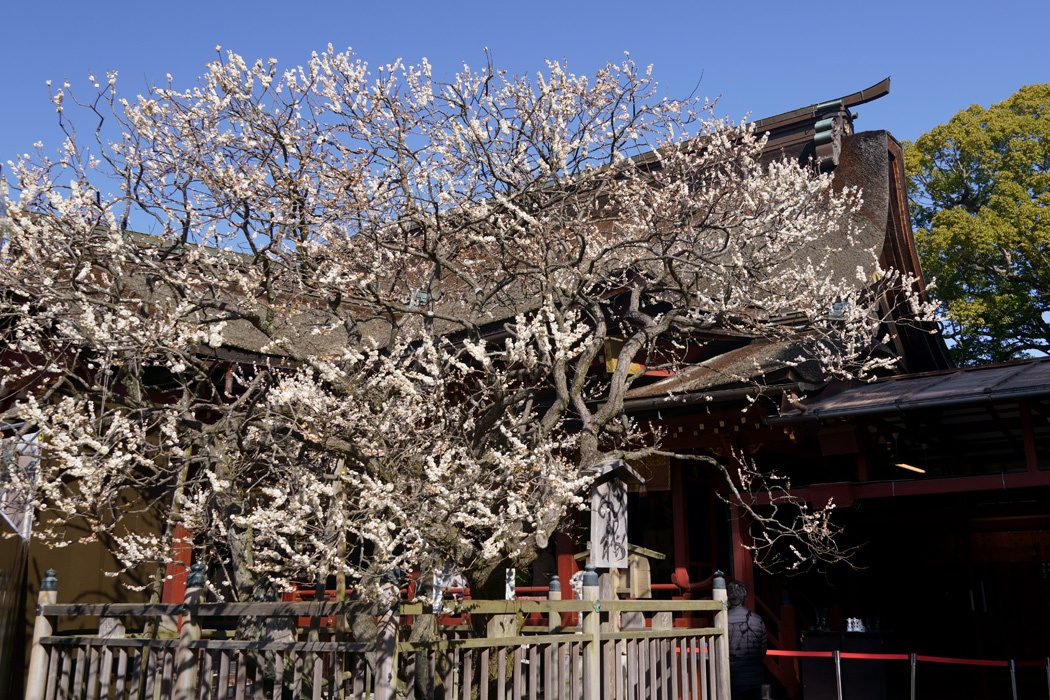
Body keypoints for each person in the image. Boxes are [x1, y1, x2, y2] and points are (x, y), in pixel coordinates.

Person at [727, 580, 767, 700]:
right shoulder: (757, 619)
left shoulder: (723, 620)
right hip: (754, 678)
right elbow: (762, 649)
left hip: (732, 679)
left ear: (728, 597)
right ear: (745, 598)